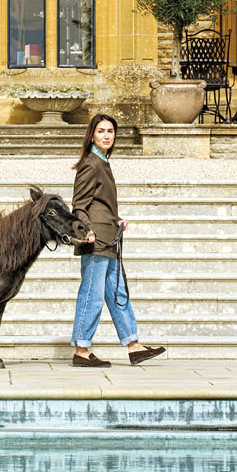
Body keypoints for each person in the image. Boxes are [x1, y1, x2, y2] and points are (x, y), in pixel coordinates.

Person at [70, 113, 165, 368]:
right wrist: (86, 231)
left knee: (116, 291)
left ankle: (134, 346)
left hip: (108, 237)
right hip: (96, 241)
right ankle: (81, 349)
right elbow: (79, 205)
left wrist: (115, 219)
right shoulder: (91, 163)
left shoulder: (102, 162)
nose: (106, 136)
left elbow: (98, 204)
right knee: (92, 293)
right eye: (101, 131)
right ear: (92, 134)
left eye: (110, 131)